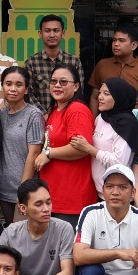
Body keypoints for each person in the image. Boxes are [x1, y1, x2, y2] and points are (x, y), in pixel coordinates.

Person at [38, 66, 96, 226]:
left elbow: (80, 148)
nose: (57, 85)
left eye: (63, 82)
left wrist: (48, 153)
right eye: (53, 81)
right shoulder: (55, 110)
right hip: (53, 195)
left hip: (71, 198)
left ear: (76, 86)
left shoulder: (77, 110)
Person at [72, 77, 138, 199]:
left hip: (118, 196)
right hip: (98, 191)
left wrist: (90, 149)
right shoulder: (101, 118)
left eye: (106, 94)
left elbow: (119, 162)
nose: (100, 97)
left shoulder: (126, 124)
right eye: (100, 92)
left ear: (119, 97)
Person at [0, 67, 44, 221]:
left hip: (24, 190)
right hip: (3, 189)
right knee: (10, 231)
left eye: (19, 85)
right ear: (2, 87)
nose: (13, 89)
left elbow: (34, 153)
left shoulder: (33, 115)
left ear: (26, 89)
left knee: (24, 233)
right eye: (8, 84)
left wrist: (23, 191)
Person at [24, 14, 82, 115]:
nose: (52, 35)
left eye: (56, 30)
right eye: (47, 31)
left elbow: (79, 92)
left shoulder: (74, 62)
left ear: (63, 33)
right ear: (40, 34)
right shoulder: (31, 63)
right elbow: (28, 93)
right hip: (39, 118)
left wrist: (63, 114)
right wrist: (43, 114)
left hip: (67, 116)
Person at [89, 21, 138, 101]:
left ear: (134, 45)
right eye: (114, 40)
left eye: (121, 40)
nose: (116, 44)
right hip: (106, 109)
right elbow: (95, 97)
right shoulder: (102, 65)